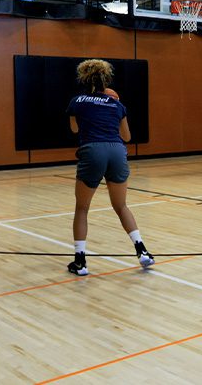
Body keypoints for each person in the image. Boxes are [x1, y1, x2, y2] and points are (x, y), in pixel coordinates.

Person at [65, 59, 154, 276]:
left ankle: (81, 262)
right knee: (121, 205)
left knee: (82, 208)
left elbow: (75, 129)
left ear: (84, 78)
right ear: (107, 79)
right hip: (117, 151)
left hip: (93, 150)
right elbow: (127, 136)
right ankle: (142, 251)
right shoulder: (116, 103)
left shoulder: (77, 101)